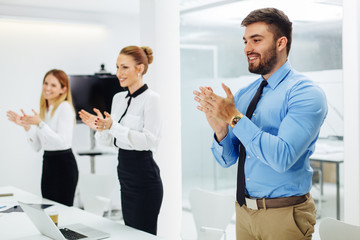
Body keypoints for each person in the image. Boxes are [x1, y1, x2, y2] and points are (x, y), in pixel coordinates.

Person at [193, 8, 328, 240]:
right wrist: (221, 130)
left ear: (280, 42)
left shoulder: (306, 93)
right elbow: (228, 160)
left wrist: (235, 118)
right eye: (246, 41)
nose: (247, 48)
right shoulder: (246, 94)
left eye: (256, 40)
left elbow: (282, 157)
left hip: (284, 215)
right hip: (244, 213)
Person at [79, 46, 163, 235]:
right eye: (117, 67)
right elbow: (110, 142)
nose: (118, 73)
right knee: (129, 233)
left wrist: (113, 127)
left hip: (145, 178)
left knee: (143, 235)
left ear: (140, 69)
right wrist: (100, 128)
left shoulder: (152, 99)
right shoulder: (118, 98)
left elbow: (149, 141)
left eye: (124, 67)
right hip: (125, 174)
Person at [7, 69, 78, 207]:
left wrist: (39, 124)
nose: (47, 88)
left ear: (63, 89)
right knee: (48, 209)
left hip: (63, 164)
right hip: (48, 163)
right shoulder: (45, 110)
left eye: (53, 85)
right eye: (46, 83)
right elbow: (37, 147)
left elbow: (62, 142)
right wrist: (27, 127)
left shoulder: (64, 107)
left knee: (63, 212)